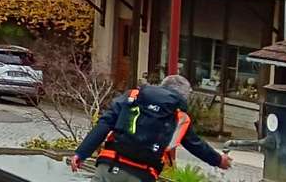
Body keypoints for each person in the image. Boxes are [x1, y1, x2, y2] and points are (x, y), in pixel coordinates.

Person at [69, 75, 230, 182]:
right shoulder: (179, 116)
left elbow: (104, 124)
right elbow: (195, 144)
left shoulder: (132, 97)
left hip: (109, 165)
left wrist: (81, 153)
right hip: (143, 174)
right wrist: (218, 160)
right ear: (183, 97)